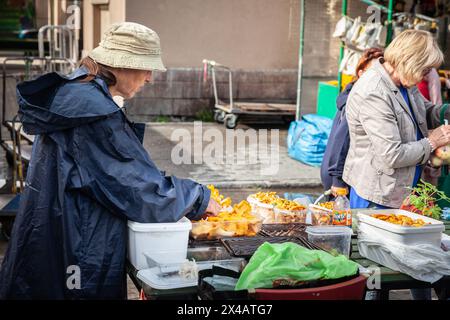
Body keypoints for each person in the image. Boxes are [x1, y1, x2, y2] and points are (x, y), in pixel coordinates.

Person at [0, 22, 221, 299]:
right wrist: (198, 197)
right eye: (146, 68)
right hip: (76, 252)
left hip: (53, 241)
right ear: (121, 65)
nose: (150, 78)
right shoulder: (94, 113)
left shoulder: (78, 95)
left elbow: (118, 171)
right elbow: (135, 188)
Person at [344, 30, 450, 300]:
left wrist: (442, 112)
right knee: (377, 276)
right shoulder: (373, 92)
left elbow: (423, 110)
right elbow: (391, 155)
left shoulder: (404, 82)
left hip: (408, 189)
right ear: (409, 61)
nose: (427, 74)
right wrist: (432, 141)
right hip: (377, 194)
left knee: (422, 264)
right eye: (425, 67)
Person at [321, 48, 383, 196]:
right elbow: (342, 139)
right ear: (361, 73)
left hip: (339, 171)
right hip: (339, 175)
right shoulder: (358, 99)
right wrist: (338, 180)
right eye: (373, 71)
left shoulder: (359, 94)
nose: (379, 76)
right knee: (339, 217)